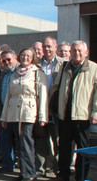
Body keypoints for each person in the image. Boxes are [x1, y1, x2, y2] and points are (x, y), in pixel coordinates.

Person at [51, 41, 97, 181]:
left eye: (79, 50)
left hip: (82, 116)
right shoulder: (65, 67)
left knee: (83, 150)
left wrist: (96, 112)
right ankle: (64, 176)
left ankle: (81, 177)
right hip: (64, 116)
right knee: (64, 149)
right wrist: (53, 107)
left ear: (86, 52)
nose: (76, 53)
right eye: (74, 50)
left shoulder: (94, 68)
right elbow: (56, 87)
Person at [1, 47, 48, 181]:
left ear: (33, 58)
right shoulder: (15, 73)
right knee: (20, 144)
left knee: (27, 143)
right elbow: (8, 96)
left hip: (29, 113)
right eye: (23, 55)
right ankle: (23, 172)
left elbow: (43, 96)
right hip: (14, 113)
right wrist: (4, 117)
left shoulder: (37, 73)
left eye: (28, 56)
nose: (25, 58)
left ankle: (30, 173)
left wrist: (42, 117)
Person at [35, 36, 64, 178]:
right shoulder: (36, 64)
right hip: (39, 107)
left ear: (55, 47)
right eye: (45, 46)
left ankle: (58, 168)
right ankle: (41, 168)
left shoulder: (64, 64)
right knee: (41, 138)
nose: (47, 49)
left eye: (49, 46)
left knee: (58, 139)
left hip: (56, 108)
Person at [0, 49, 18, 173]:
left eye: (9, 59)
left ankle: (23, 169)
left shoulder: (20, 72)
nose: (6, 62)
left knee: (19, 143)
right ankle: (8, 165)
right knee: (4, 140)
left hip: (17, 113)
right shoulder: (3, 73)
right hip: (4, 112)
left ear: (15, 58)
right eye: (4, 60)